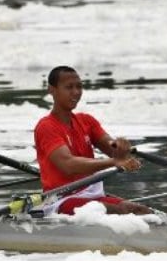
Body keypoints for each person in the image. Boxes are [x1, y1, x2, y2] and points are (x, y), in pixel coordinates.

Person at [33, 66, 150, 215]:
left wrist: (119, 148)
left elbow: (110, 146)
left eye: (79, 87)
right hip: (60, 200)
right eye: (69, 87)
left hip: (93, 195)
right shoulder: (46, 127)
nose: (76, 92)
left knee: (141, 210)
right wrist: (113, 162)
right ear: (52, 90)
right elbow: (68, 165)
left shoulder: (86, 121)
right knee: (120, 210)